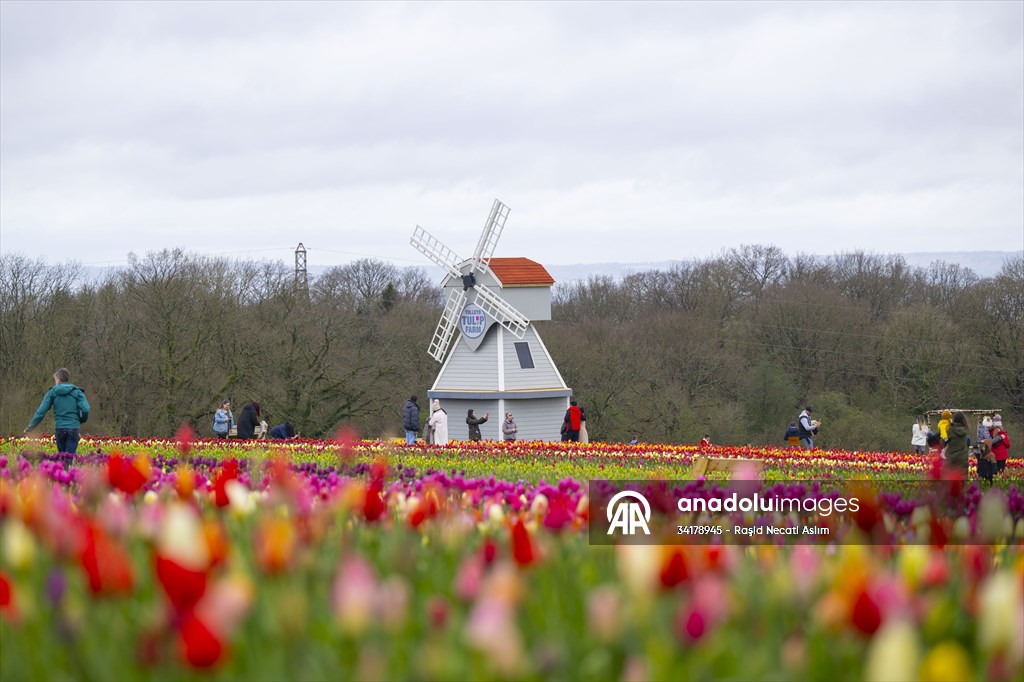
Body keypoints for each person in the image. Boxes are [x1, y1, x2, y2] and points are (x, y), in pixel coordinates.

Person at [24, 368, 91, 455]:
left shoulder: (52, 392)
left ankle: (62, 468)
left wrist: (30, 428)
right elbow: (86, 409)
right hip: (74, 428)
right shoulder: (77, 392)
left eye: (55, 380)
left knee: (62, 457)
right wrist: (81, 420)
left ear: (58, 379)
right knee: (69, 458)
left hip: (60, 428)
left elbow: (41, 412)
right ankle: (68, 468)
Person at [943, 411, 970, 479]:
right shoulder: (964, 431)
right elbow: (968, 442)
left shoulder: (950, 430)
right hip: (962, 459)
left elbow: (943, 442)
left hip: (952, 459)